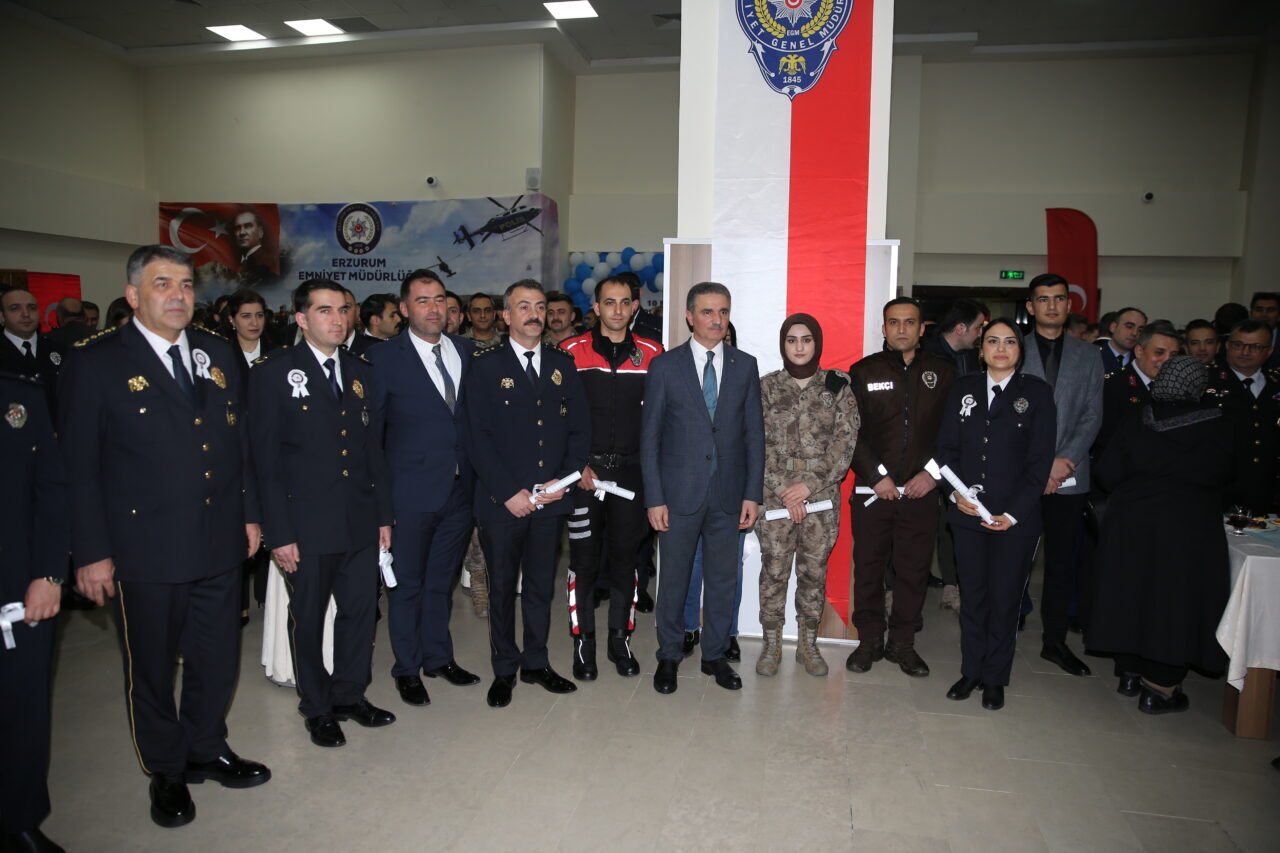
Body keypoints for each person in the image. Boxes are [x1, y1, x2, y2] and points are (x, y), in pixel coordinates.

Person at [59, 245, 270, 828]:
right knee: (152, 666)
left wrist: (250, 514)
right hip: (143, 546)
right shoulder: (96, 362)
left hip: (219, 537)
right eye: (162, 284)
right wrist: (92, 552)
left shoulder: (216, 350)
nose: (178, 295)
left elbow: (239, 442)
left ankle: (206, 747)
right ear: (133, 295)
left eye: (185, 285)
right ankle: (167, 768)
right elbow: (78, 467)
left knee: (215, 656)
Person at [249, 278, 396, 748]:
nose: (338, 319)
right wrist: (278, 532)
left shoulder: (360, 369)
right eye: (325, 311)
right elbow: (265, 462)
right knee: (309, 619)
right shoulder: (275, 372)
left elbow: (373, 451)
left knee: (360, 612)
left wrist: (384, 516)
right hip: (305, 524)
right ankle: (316, 706)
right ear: (301, 318)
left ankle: (350, 694)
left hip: (359, 518)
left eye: (343, 310)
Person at [464, 280, 589, 708]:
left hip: (550, 501)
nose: (534, 314)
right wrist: (507, 493)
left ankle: (536, 662)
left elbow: (579, 430)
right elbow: (476, 437)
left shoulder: (562, 363)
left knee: (539, 588)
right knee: (502, 589)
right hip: (504, 503)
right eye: (523, 307)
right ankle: (505, 668)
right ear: (506, 316)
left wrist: (563, 482)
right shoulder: (485, 367)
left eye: (539, 306)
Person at [641, 281, 764, 695]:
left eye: (723, 312)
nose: (717, 320)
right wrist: (655, 497)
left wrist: (752, 493)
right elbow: (650, 438)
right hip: (678, 495)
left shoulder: (745, 366)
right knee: (673, 579)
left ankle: (715, 655)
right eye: (708, 312)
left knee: (723, 579)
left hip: (728, 494)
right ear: (690, 316)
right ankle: (669, 654)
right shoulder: (665, 366)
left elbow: (754, 436)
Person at [1089, 355, 1231, 713]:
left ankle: (1129, 672)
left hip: (1131, 525)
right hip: (1186, 531)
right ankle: (1160, 688)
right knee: (1172, 605)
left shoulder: (1139, 418)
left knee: (1131, 595)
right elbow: (1231, 476)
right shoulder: (1216, 424)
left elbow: (1107, 472)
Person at [367, 270, 481, 707]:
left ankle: (438, 657)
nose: (434, 309)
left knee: (441, 583)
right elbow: (372, 439)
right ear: (404, 309)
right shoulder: (382, 360)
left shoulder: (467, 351)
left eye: (439, 299)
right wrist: (380, 507)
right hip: (408, 496)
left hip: (460, 493)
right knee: (407, 586)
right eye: (422, 301)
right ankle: (407, 668)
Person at [937, 319, 1056, 711]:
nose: (1001, 349)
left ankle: (994, 678)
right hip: (968, 514)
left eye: (1009, 342)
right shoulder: (963, 388)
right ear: (981, 349)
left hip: (1014, 521)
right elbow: (946, 449)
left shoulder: (1036, 393)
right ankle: (971, 670)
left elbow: (1040, 462)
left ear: (1020, 350)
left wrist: (1013, 514)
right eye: (992, 341)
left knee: (1005, 601)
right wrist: (955, 493)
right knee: (973, 597)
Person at [845, 298, 956, 678]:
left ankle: (902, 644)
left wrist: (932, 475)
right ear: (884, 328)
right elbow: (850, 433)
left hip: (921, 493)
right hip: (873, 492)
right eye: (894, 322)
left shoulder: (944, 372)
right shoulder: (864, 371)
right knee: (869, 569)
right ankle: (869, 640)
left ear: (922, 328)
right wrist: (877, 476)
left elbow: (954, 435)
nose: (902, 329)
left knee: (913, 571)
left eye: (910, 322)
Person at [559, 275, 663, 679]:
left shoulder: (653, 354)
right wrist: (576, 467)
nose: (617, 310)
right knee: (583, 563)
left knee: (625, 562)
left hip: (632, 477)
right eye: (609, 302)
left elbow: (660, 420)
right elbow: (558, 418)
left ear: (635, 307)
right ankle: (582, 644)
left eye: (624, 302)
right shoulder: (570, 352)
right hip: (584, 476)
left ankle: (620, 641)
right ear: (596, 307)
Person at [755, 314, 858, 677]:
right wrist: (786, 489)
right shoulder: (766, 387)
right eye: (791, 340)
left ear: (817, 343)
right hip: (776, 495)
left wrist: (808, 486)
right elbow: (755, 442)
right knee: (774, 569)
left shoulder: (837, 386)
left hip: (820, 497)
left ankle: (807, 644)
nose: (799, 347)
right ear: (783, 345)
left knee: (814, 571)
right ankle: (770, 644)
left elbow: (845, 442)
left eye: (806, 339)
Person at [1019, 274, 1104, 676]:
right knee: (1013, 559)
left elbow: (1092, 414)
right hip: (1019, 473)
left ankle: (1054, 642)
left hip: (1069, 474)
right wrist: (1039, 465)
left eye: (1058, 299)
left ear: (1069, 305)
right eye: (1043, 299)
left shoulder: (1089, 356)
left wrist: (1063, 460)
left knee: (1060, 564)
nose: (1051, 306)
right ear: (1030, 307)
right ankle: (1003, 628)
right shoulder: (1012, 347)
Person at [0, 371, 68, 853]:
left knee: (22, 708)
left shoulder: (20, 398)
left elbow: (52, 490)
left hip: (19, 585)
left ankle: (19, 817)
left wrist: (49, 574)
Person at [1204, 319, 1280, 514]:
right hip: (1217, 492)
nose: (1245, 352)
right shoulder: (1205, 383)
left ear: (1269, 352)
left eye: (1255, 347)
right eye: (1238, 345)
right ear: (1227, 346)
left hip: (1266, 492)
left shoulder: (1275, 385)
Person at [1095, 321, 1180, 458]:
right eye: (1159, 352)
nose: (1167, 360)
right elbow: (1107, 440)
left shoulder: (1176, 388)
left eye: (1173, 355)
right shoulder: (1112, 386)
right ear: (1139, 351)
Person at [0, 287, 67, 414]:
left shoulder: (60, 350)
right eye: (15, 308)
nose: (26, 314)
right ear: (2, 316)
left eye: (32, 308)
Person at [920, 297, 988, 376]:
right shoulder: (926, 354)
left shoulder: (972, 354)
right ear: (960, 329)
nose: (980, 333)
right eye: (978, 328)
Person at [232, 206, 279, 288]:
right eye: (237, 228)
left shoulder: (269, 263)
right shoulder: (239, 263)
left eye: (248, 226)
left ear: (260, 232)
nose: (242, 232)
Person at [1096, 307, 1147, 373]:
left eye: (1140, 330)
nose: (1135, 333)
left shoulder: (1142, 362)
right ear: (1113, 327)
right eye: (1129, 327)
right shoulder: (1095, 356)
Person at [1249, 291, 1280, 369]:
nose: (1264, 314)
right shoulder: (1238, 337)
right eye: (1259, 310)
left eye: (1271, 310)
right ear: (1251, 313)